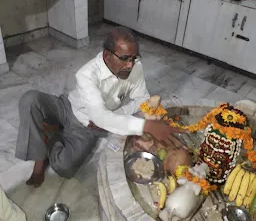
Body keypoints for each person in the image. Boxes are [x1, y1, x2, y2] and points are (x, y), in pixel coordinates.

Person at [15, 26, 185, 188]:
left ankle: (51, 136)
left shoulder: (135, 68)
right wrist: (144, 125)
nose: (130, 65)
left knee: (64, 168)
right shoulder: (86, 74)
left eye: (134, 58)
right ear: (106, 56)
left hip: (88, 127)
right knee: (30, 99)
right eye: (124, 59)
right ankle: (40, 158)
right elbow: (101, 116)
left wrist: (115, 114)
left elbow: (142, 100)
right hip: (67, 106)